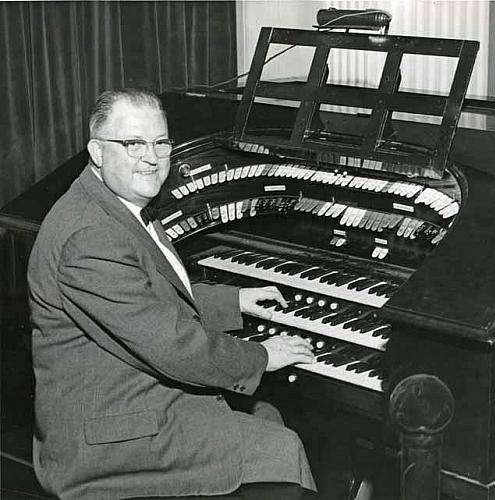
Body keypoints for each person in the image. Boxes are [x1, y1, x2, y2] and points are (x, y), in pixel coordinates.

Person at [27, 88, 317, 499]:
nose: (151, 157)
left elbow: (147, 293)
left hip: (125, 398)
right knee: (279, 446)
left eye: (161, 142)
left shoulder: (111, 200)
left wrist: (232, 301)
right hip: (110, 440)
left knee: (267, 413)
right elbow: (173, 345)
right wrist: (265, 355)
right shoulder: (90, 237)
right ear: (96, 150)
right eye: (133, 144)